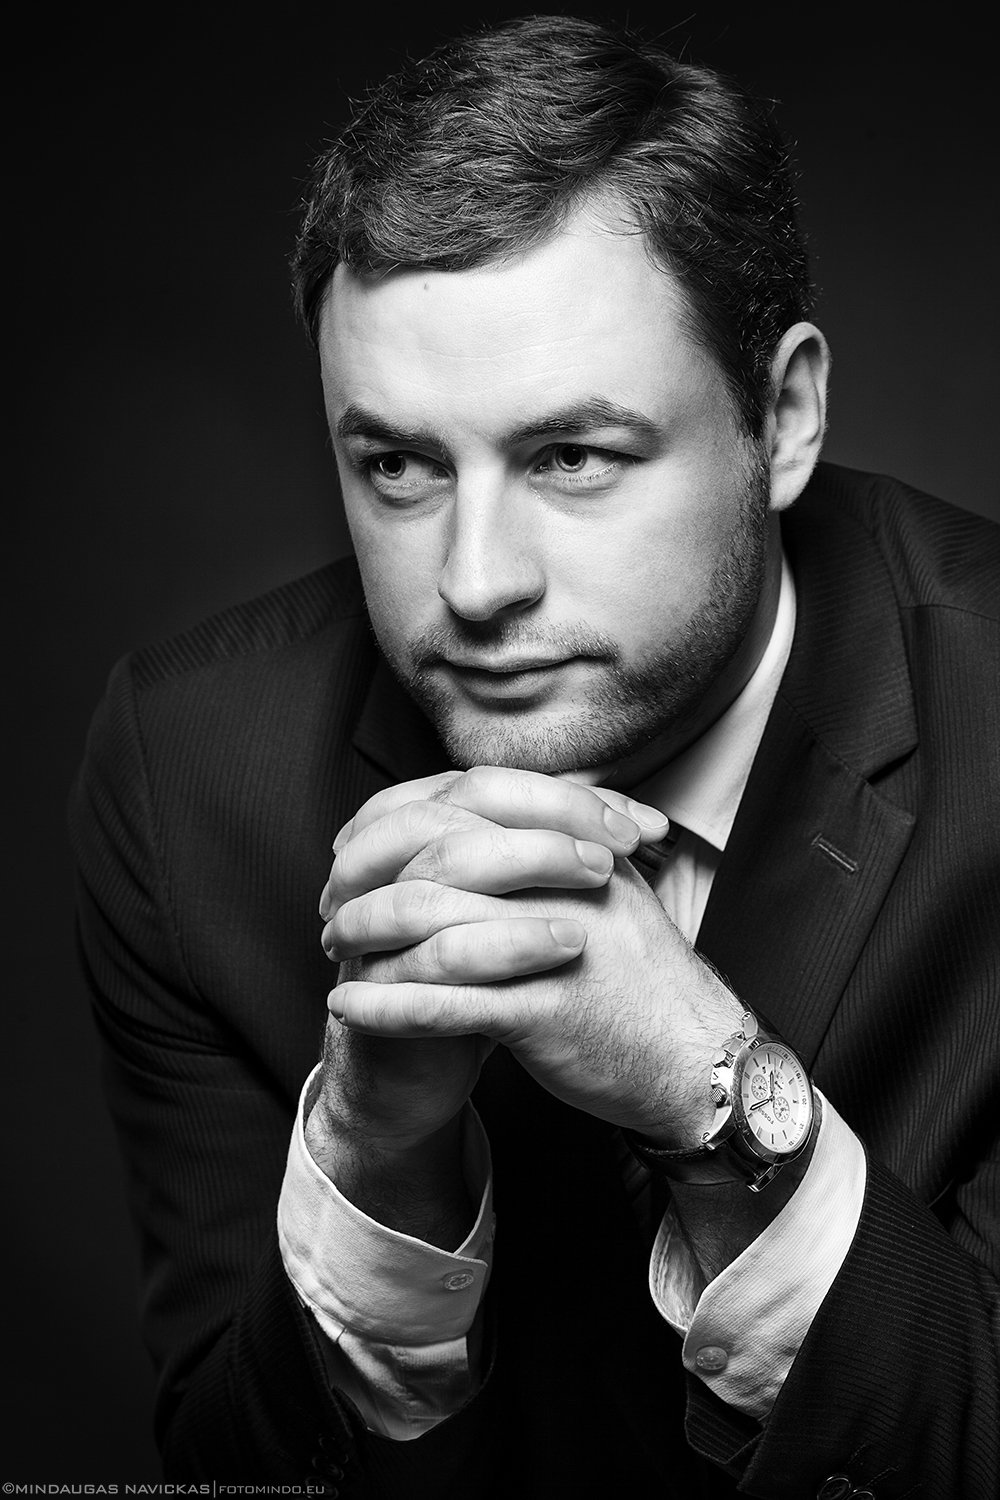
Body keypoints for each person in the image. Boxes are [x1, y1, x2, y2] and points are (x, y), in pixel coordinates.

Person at [70, 14, 999, 1498]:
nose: (475, 581)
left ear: (783, 418)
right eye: (398, 465)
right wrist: (376, 1161)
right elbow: (229, 1468)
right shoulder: (190, 774)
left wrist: (716, 1098)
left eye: (572, 457)